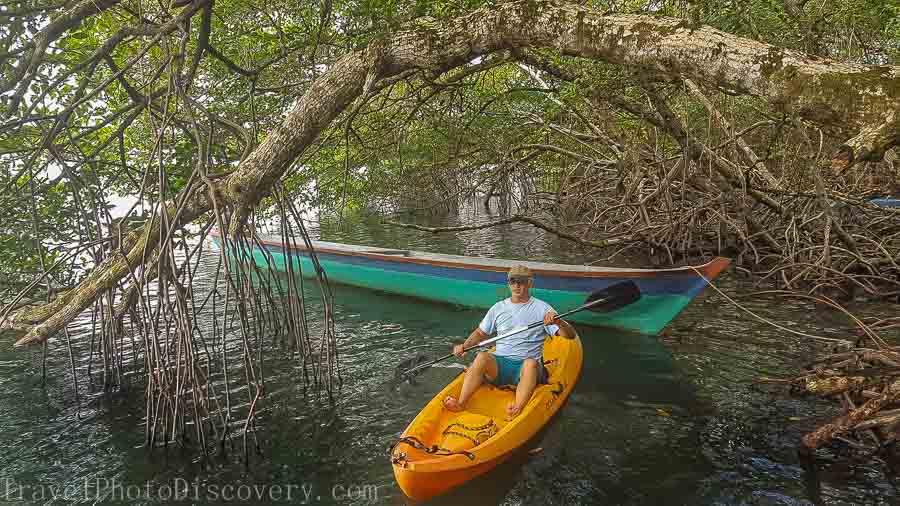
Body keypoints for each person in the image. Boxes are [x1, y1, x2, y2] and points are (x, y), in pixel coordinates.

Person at [442, 264, 577, 419]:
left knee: (531, 363)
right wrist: (464, 346)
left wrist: (559, 322)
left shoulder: (543, 308)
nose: (516, 285)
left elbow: (569, 336)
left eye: (521, 281)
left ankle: (517, 409)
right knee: (482, 357)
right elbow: (480, 333)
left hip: (526, 369)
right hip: (501, 365)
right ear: (508, 283)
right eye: (512, 281)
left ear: (530, 283)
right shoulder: (498, 308)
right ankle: (461, 403)